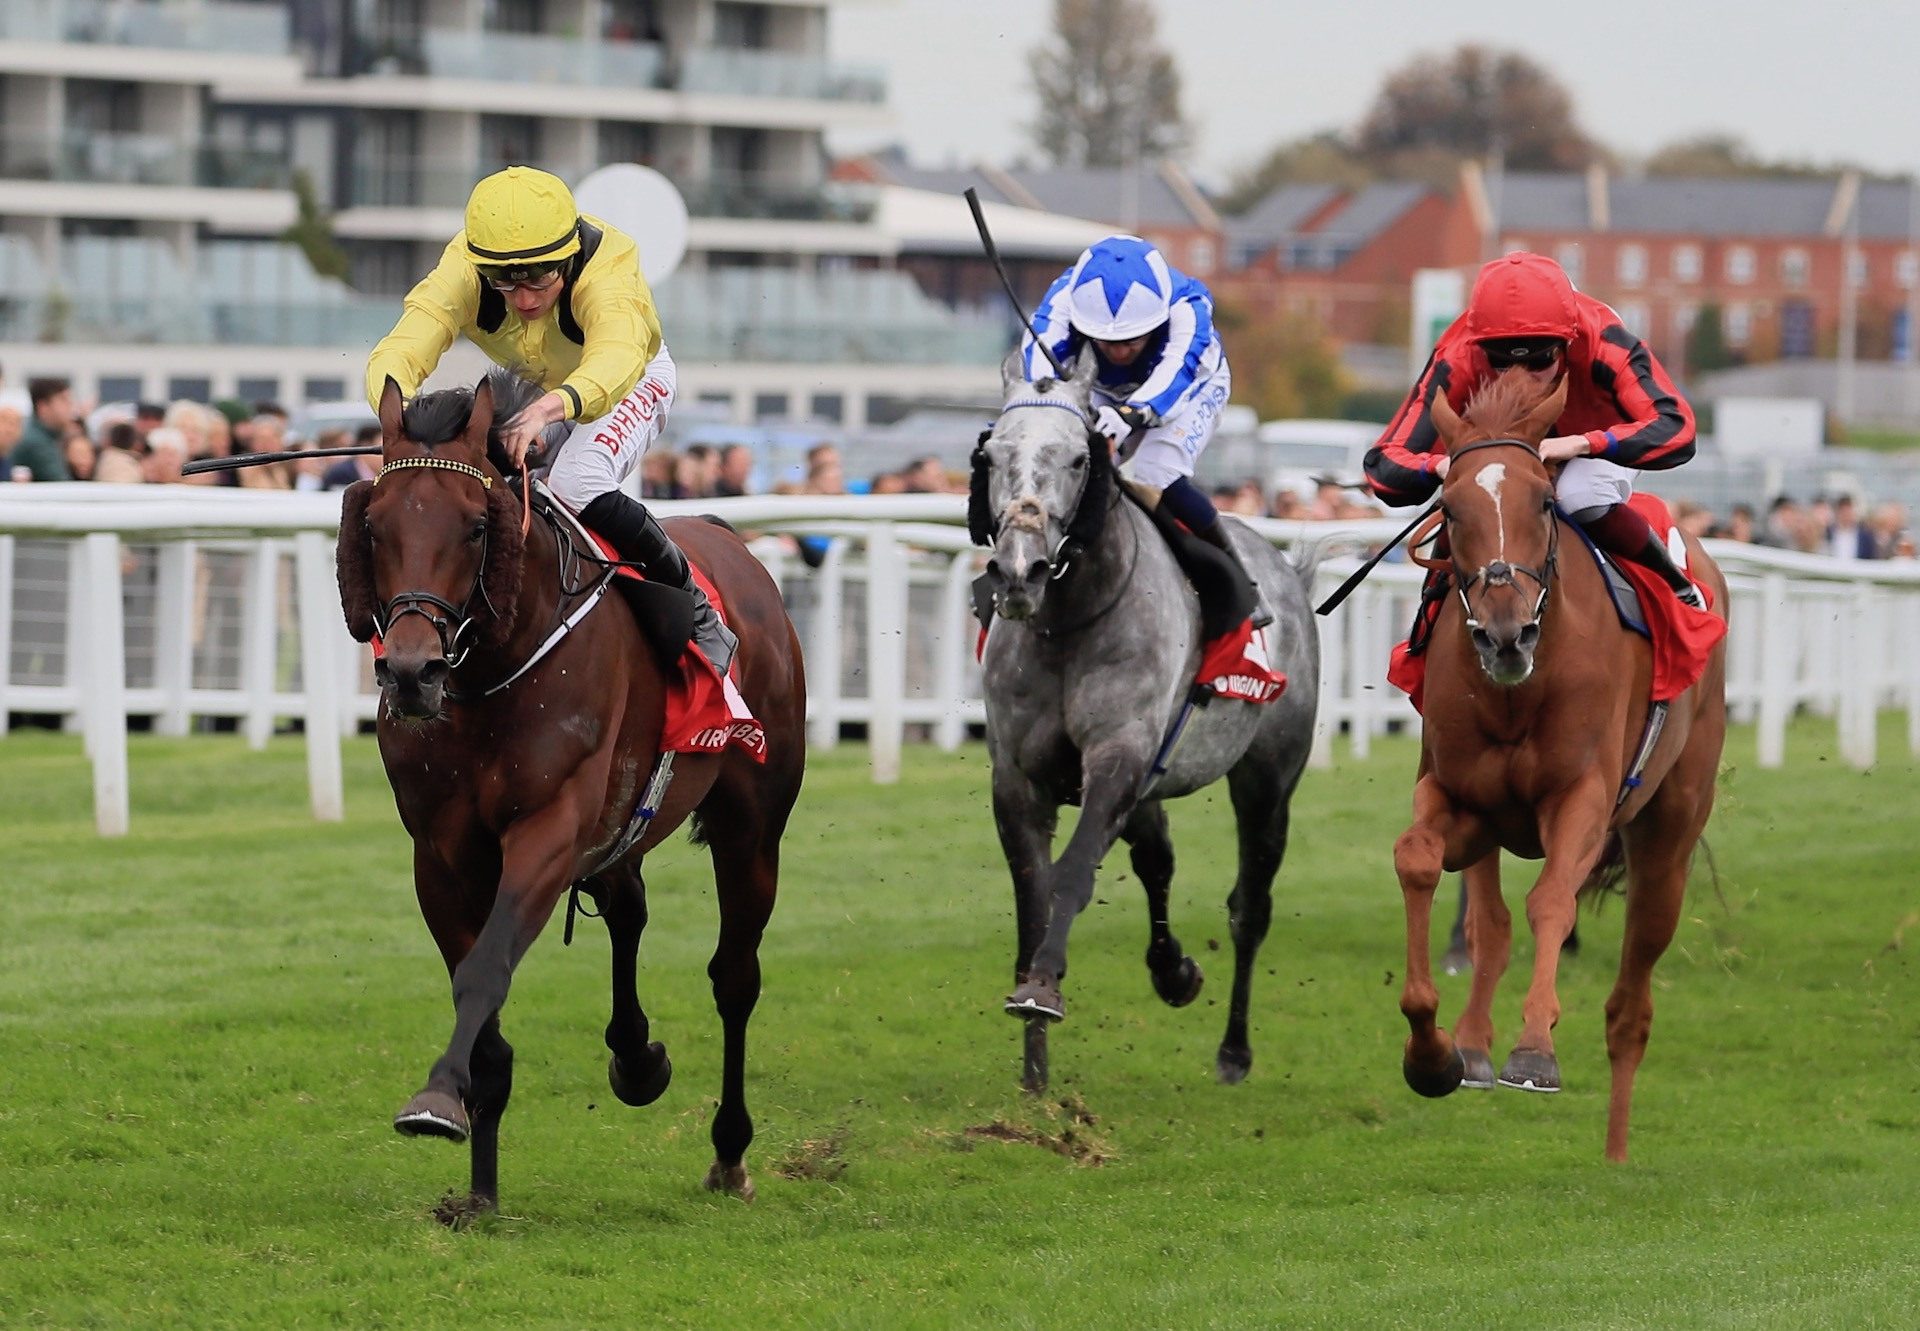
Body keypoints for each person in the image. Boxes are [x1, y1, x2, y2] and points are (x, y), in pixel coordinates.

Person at [364, 165, 734, 672]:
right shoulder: (463, 266)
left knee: (576, 481)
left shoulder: (609, 264)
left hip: (628, 380)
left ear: (568, 255)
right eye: (505, 284)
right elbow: (408, 341)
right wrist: (398, 418)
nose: (525, 299)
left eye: (539, 278)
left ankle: (694, 604)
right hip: (538, 390)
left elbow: (617, 357)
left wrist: (548, 408)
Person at [1365, 251, 1705, 609]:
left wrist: (1581, 444)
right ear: (1480, 346)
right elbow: (1384, 463)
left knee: (1580, 494)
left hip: (1602, 440)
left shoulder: (1604, 339)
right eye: (1501, 361)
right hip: (1502, 448)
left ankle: (1677, 587)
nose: (1521, 376)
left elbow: (1676, 429)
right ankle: (1427, 630)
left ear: (1567, 341)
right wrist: (1440, 467)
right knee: (1470, 500)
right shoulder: (1459, 354)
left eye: (1540, 360)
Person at [1021, 234, 1267, 625]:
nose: (1119, 352)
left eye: (1132, 341)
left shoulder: (1188, 306)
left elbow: (1176, 375)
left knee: (1154, 471)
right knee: (1062, 464)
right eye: (1107, 341)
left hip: (1189, 387)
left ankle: (1238, 583)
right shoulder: (1063, 299)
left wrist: (1132, 413)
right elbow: (1038, 365)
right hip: (1099, 389)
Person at [13, 378, 79, 482]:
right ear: (43, 406)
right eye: (63, 400)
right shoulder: (37, 442)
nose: (70, 406)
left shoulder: (42, 435)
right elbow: (61, 486)